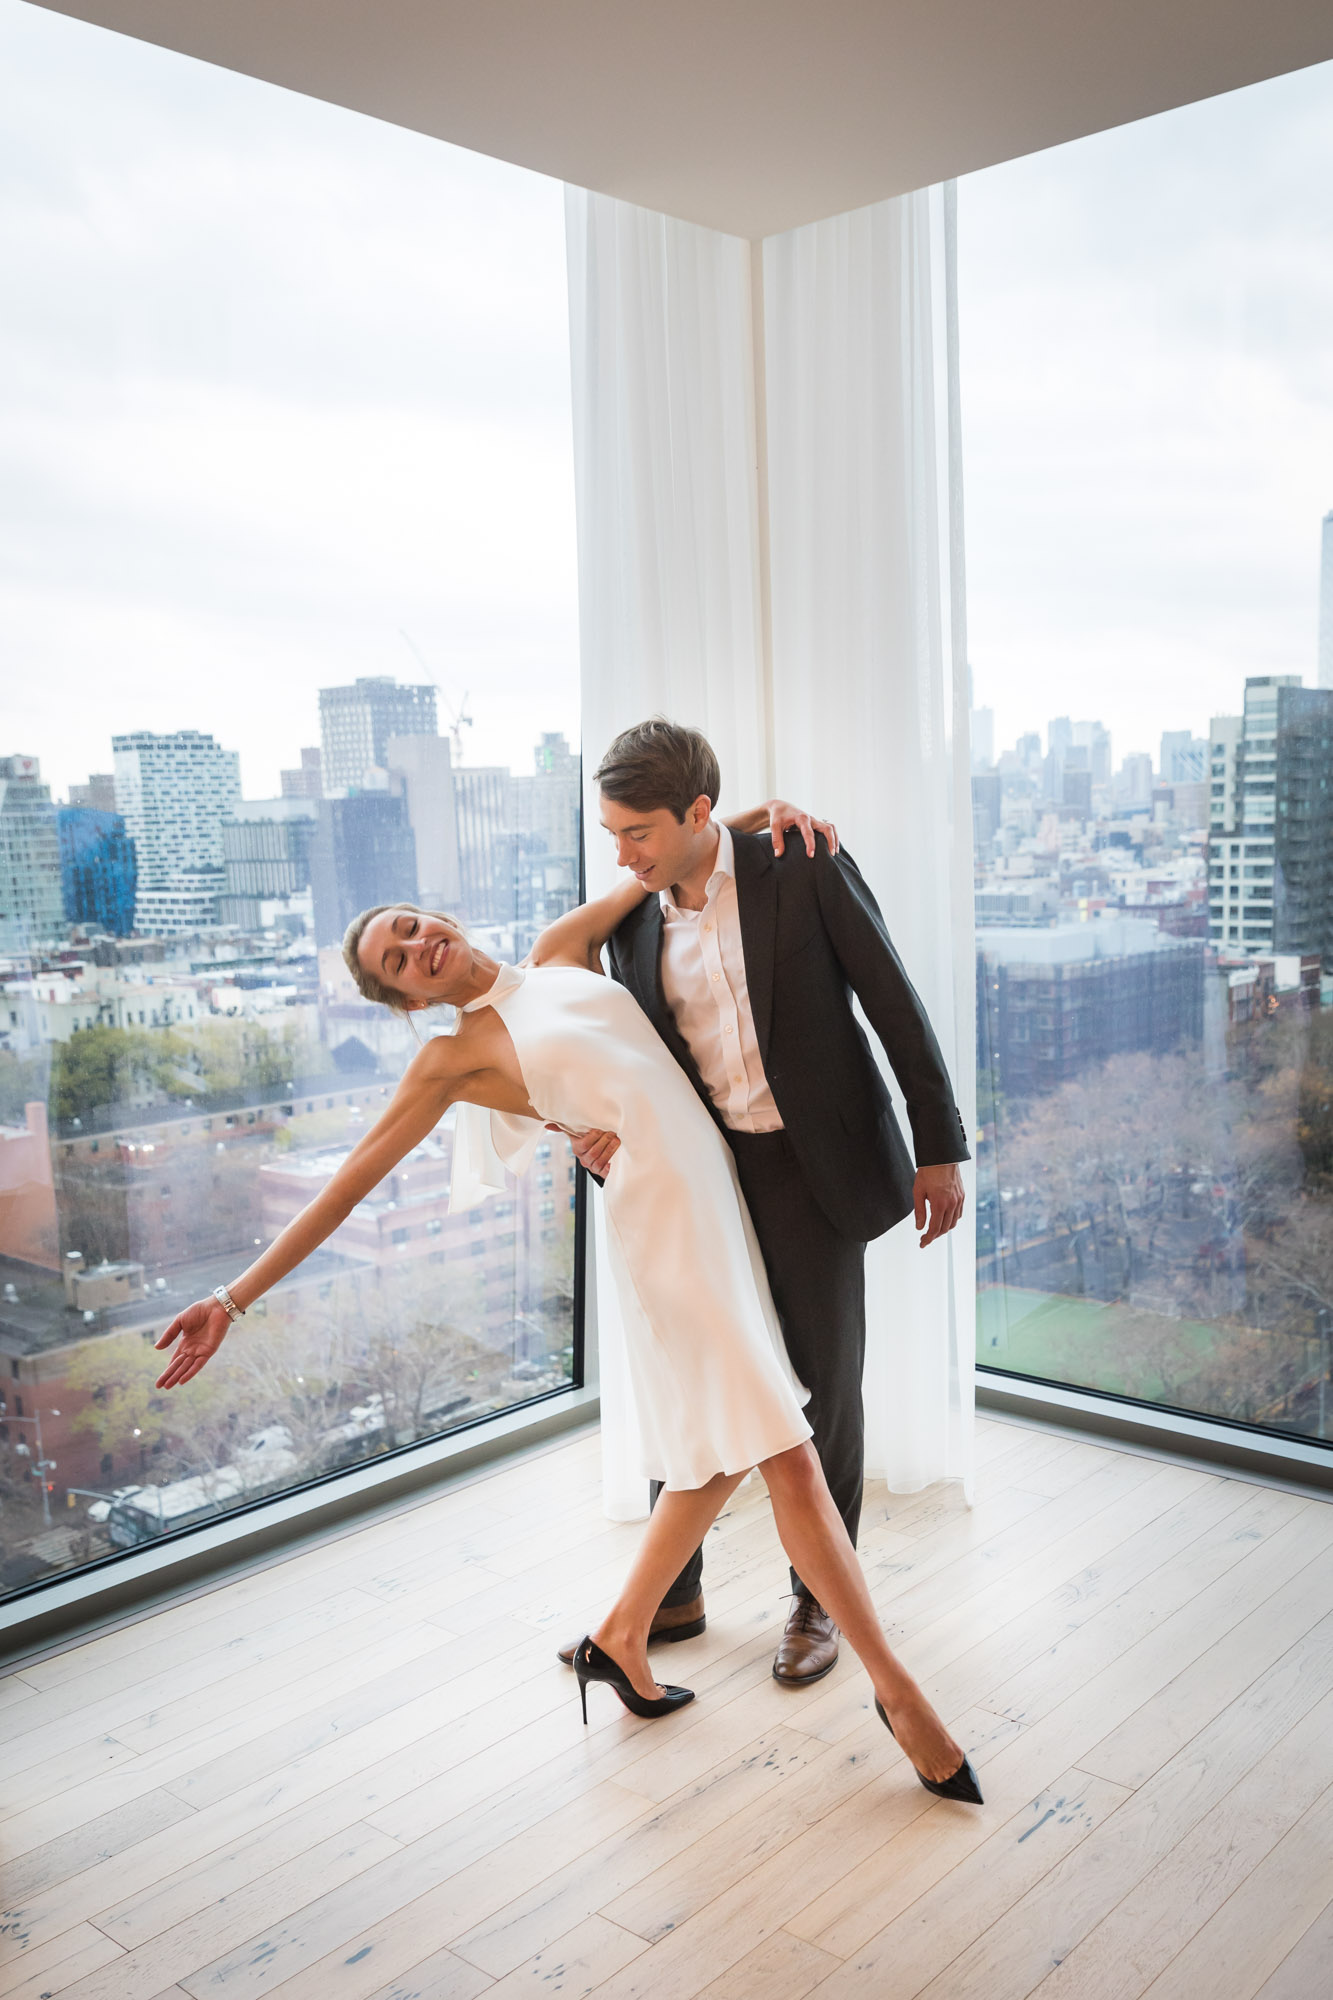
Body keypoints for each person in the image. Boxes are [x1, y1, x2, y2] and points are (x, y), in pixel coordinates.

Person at [152, 800, 981, 1802]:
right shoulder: (451, 1058)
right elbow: (347, 1188)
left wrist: (767, 810)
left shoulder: (557, 951)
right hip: (668, 1232)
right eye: (398, 956)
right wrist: (231, 1299)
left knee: (722, 1457)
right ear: (404, 999)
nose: (420, 943)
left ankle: (620, 1636)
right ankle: (899, 1693)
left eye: (412, 921)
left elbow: (671, 855)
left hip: (723, 1210)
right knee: (787, 1453)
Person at [556, 720, 968, 1689]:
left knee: (822, 1388)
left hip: (808, 1165)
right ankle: (676, 1594)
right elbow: (614, 1048)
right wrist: (585, 1130)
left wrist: (940, 1143)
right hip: (704, 1175)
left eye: (635, 833)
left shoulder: (803, 864)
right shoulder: (629, 919)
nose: (619, 853)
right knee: (692, 1378)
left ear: (697, 814)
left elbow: (892, 1000)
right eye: (609, 832)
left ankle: (818, 1597)